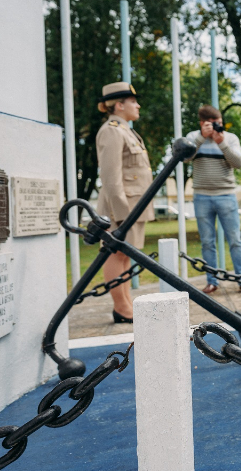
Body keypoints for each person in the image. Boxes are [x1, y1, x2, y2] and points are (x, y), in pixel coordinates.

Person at [95, 82, 154, 324]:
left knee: (124, 256)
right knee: (115, 255)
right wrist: (122, 214)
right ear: (119, 105)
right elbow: (111, 177)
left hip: (132, 206)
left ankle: (126, 303)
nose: (137, 105)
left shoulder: (127, 131)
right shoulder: (111, 130)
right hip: (121, 208)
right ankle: (121, 307)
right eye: (133, 101)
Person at [185, 105, 241, 295]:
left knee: (235, 240)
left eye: (220, 124)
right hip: (202, 197)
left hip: (226, 195)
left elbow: (238, 163)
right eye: (213, 124)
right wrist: (201, 138)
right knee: (207, 242)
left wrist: (221, 143)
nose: (218, 128)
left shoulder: (230, 138)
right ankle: (212, 281)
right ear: (202, 123)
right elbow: (185, 158)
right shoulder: (193, 137)